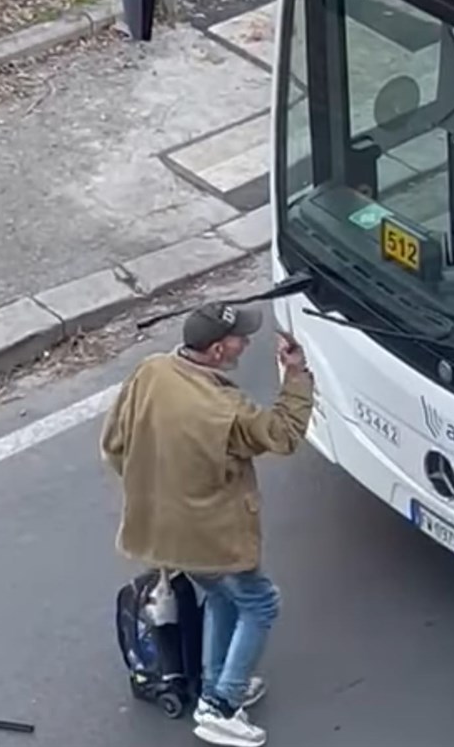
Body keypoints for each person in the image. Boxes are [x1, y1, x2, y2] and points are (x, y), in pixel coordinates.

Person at [100, 301, 313, 747]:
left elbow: (113, 444)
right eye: (240, 339)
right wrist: (295, 376)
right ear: (218, 350)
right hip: (213, 537)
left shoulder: (151, 371)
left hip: (162, 530)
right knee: (260, 603)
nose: (248, 342)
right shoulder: (225, 410)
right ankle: (222, 707)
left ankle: (216, 683)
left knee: (220, 596)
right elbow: (283, 434)